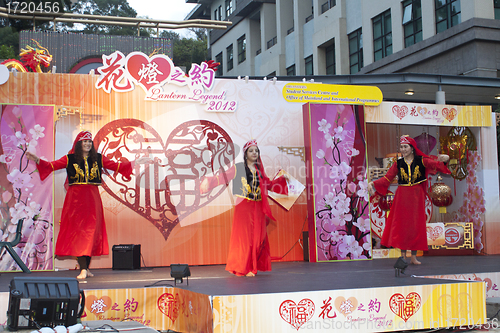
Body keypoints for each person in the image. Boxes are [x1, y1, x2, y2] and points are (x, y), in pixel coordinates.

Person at [26, 130, 135, 279]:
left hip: (92, 199)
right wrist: (37, 160)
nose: (88, 144)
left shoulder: (98, 158)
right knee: (79, 233)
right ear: (79, 144)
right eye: (84, 141)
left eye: (89, 142)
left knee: (91, 233)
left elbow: (117, 166)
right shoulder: (69, 158)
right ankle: (83, 268)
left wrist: (135, 163)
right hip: (75, 200)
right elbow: (52, 166)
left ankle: (86, 268)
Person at [201, 139, 289, 276]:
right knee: (244, 238)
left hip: (258, 207)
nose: (254, 153)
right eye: (251, 150)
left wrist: (282, 181)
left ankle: (253, 265)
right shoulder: (238, 168)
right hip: (244, 207)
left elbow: (268, 185)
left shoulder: (259, 171)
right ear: (246, 153)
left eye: (256, 150)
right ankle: (245, 267)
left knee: (258, 238)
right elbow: (223, 177)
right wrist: (209, 182)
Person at [367, 135, 450, 265]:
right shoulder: (398, 163)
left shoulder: (422, 160)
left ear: (412, 148)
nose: (403, 149)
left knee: (416, 226)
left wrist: (444, 161)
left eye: (406, 146)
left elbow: (436, 165)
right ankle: (403, 256)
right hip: (402, 196)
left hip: (416, 196)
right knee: (403, 226)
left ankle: (413, 257)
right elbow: (387, 178)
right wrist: (373, 183)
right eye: (402, 147)